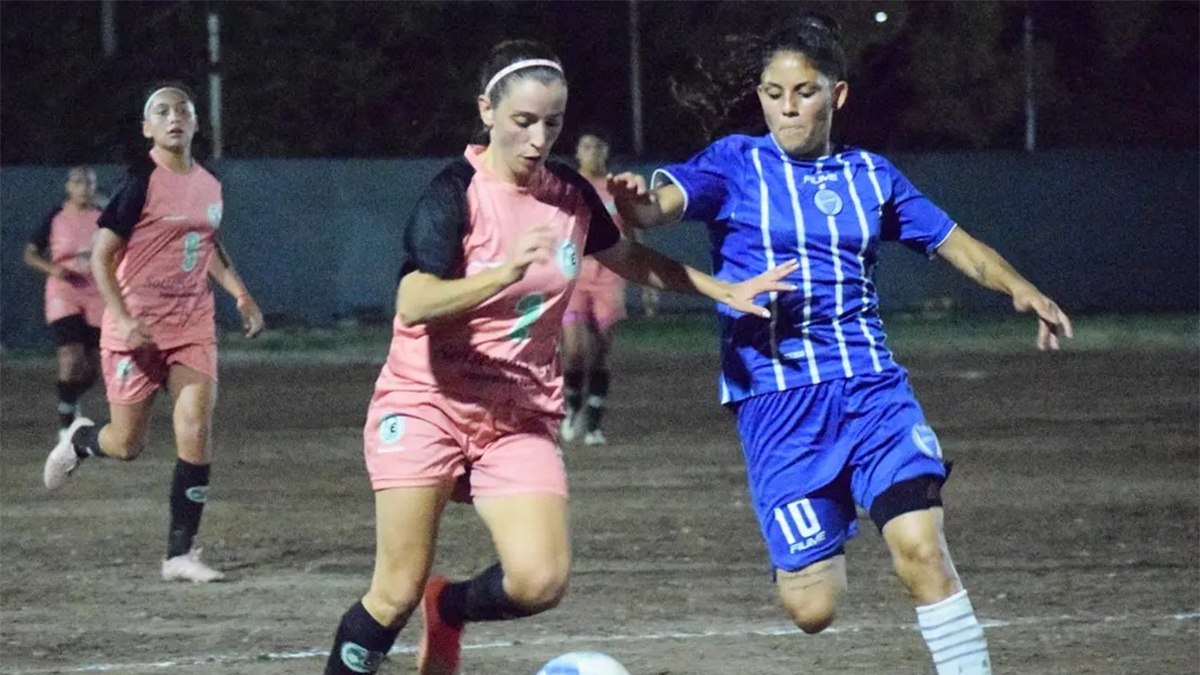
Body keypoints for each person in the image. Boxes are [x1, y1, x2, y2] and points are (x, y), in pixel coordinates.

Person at [609, 15, 1073, 675]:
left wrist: (1018, 287)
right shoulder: (735, 163)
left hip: (873, 391)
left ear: (838, 95)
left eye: (804, 91)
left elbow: (956, 242)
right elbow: (659, 207)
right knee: (813, 606)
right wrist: (635, 203)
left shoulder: (871, 176)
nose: (788, 107)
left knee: (921, 546)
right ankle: (822, 526)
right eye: (773, 93)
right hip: (778, 408)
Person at [321, 39, 796, 675]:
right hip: (427, 402)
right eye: (523, 122)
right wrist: (500, 274)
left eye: (552, 123)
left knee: (539, 581)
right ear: (487, 111)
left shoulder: (569, 192)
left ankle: (451, 608)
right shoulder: (455, 192)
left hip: (517, 413)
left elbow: (627, 256)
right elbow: (414, 300)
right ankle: (407, 613)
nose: (538, 138)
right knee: (394, 590)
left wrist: (720, 288)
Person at [42, 84, 265, 583]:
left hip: (192, 322)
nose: (174, 117)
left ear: (195, 124)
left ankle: (179, 554)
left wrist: (241, 294)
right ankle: (82, 439)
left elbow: (208, 245)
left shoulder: (210, 183)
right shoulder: (140, 182)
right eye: (161, 112)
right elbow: (102, 256)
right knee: (126, 444)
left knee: (195, 425)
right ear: (148, 129)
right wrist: (119, 317)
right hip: (137, 326)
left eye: (183, 110)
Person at [23, 167, 106, 440]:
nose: (85, 188)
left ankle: (70, 398)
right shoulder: (55, 217)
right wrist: (52, 268)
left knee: (93, 368)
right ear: (68, 187)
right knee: (70, 358)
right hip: (65, 291)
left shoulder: (105, 214)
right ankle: (66, 423)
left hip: (97, 292)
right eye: (78, 182)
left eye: (89, 183)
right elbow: (30, 254)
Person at [560, 130, 626, 446]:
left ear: (606, 150)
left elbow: (634, 232)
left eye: (597, 145)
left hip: (609, 277)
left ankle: (594, 426)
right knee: (572, 352)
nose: (592, 151)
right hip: (573, 278)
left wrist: (646, 278)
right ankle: (572, 409)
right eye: (585, 145)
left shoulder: (616, 189)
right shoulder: (566, 186)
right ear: (576, 152)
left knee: (600, 353)